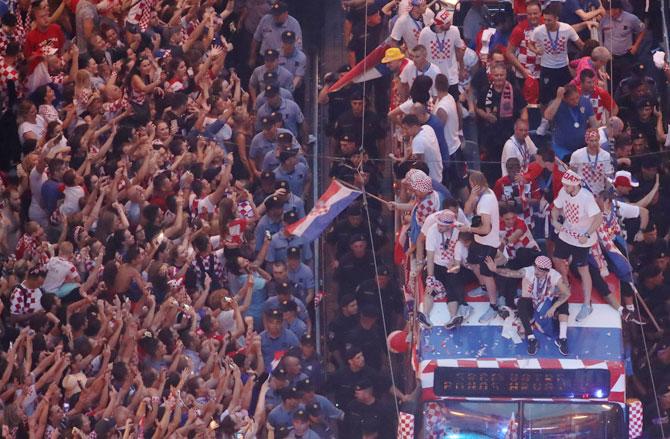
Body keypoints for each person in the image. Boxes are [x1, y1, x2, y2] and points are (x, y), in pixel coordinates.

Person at [484, 255, 571, 355]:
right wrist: (495, 270)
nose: (536, 272)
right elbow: (511, 273)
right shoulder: (528, 271)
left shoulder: (554, 276)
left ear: (547, 271)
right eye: (536, 268)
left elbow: (567, 293)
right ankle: (531, 338)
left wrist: (553, 307)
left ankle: (562, 338)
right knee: (522, 302)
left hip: (546, 303)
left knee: (564, 303)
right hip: (532, 303)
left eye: (540, 271)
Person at [551, 170, 602, 322]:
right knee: (557, 257)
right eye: (564, 185)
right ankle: (565, 283)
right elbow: (555, 208)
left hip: (582, 238)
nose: (564, 187)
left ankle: (587, 304)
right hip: (567, 233)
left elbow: (598, 218)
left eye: (567, 185)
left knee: (583, 269)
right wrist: (555, 221)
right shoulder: (563, 191)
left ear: (575, 184)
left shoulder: (586, 198)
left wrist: (586, 235)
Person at [462, 171, 501, 322]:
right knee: (473, 262)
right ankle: (483, 287)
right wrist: (472, 197)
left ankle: (493, 306)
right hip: (478, 240)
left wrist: (469, 229)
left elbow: (485, 229)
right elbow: (466, 211)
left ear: (473, 183)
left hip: (488, 242)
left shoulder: (486, 201)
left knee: (487, 274)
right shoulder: (481, 193)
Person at [424, 210, 468, 328]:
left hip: (454, 265)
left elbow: (465, 244)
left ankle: (453, 317)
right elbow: (430, 256)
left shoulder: (460, 229)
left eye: (442, 225)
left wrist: (456, 261)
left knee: (452, 288)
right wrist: (430, 276)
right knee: (430, 288)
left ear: (450, 225)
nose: (439, 227)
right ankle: (425, 315)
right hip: (436, 264)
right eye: (438, 223)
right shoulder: (432, 231)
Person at [418, 9, 465, 98]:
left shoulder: (454, 30)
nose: (450, 24)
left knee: (454, 100)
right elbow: (420, 52)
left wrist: (462, 69)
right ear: (439, 24)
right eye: (447, 23)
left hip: (451, 74)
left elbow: (459, 50)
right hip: (432, 74)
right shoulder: (425, 33)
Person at [543, 84, 597, 159]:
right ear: (564, 99)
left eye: (577, 97)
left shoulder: (585, 102)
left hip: (581, 147)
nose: (576, 101)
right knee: (566, 168)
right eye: (572, 99)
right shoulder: (557, 103)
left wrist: (592, 134)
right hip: (562, 147)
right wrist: (558, 98)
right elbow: (547, 116)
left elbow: (594, 124)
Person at [569, 128, 614, 195]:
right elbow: (572, 174)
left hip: (599, 193)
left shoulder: (606, 156)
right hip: (582, 193)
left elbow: (608, 177)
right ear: (586, 141)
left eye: (596, 140)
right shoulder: (577, 155)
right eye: (591, 141)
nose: (594, 143)